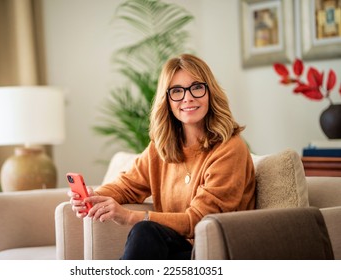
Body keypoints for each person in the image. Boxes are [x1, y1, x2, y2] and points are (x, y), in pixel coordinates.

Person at [69, 53, 256, 260]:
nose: (188, 97)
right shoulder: (161, 148)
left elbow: (202, 221)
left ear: (210, 92)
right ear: (167, 100)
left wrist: (130, 216)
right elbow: (127, 185)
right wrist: (92, 197)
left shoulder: (230, 148)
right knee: (146, 237)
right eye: (177, 91)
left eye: (196, 87)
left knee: (145, 232)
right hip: (176, 247)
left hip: (218, 251)